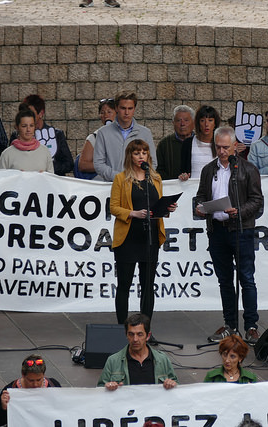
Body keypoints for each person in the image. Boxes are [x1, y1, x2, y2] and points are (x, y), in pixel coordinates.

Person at [195, 127, 263, 344]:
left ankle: (251, 326)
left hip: (241, 230)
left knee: (246, 278)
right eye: (218, 147)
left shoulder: (248, 169)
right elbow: (200, 195)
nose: (222, 151)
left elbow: (257, 200)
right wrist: (199, 207)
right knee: (225, 280)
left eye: (225, 147)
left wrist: (239, 211)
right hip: (217, 230)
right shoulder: (208, 170)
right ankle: (230, 324)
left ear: (235, 146)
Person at [110, 140, 176, 324]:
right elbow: (113, 207)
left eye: (144, 153)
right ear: (130, 156)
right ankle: (122, 329)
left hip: (150, 237)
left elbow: (157, 206)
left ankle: (145, 329)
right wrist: (133, 213)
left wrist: (167, 208)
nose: (141, 156)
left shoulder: (155, 179)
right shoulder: (121, 179)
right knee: (124, 284)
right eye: (137, 153)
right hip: (128, 238)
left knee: (148, 286)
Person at [98, 313, 178, 390]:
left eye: (140, 334)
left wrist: (171, 384)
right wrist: (108, 387)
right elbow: (99, 390)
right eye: (131, 334)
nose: (135, 339)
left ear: (148, 336)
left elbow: (176, 387)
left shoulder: (162, 359)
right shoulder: (113, 361)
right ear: (126, 335)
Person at [94, 91, 156, 182]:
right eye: (123, 108)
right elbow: (98, 164)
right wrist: (119, 178)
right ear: (116, 108)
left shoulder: (145, 133)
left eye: (130, 108)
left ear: (134, 109)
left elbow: (152, 162)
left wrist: (137, 178)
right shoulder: (103, 133)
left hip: (138, 185)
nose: (126, 112)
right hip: (111, 185)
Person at [9, 95, 73, 176]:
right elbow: (9, 163)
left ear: (41, 113)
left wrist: (47, 167)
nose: (27, 116)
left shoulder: (57, 134)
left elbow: (69, 164)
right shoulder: (17, 135)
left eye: (31, 113)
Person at [0, 354, 61, 427]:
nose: (35, 384)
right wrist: (4, 408)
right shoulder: (11, 390)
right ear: (23, 375)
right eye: (31, 380)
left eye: (39, 380)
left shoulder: (54, 385)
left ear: (44, 375)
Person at [0, 106, 54, 173]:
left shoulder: (45, 151)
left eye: (31, 125)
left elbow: (51, 177)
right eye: (24, 126)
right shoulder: (7, 154)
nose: (28, 129)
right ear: (17, 127)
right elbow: (1, 178)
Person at [77, 97, 117, 179]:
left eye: (109, 112)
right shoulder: (94, 138)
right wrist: (104, 166)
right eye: (102, 113)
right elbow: (83, 165)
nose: (106, 115)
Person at [180, 105, 220, 181]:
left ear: (215, 123)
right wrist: (183, 176)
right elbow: (183, 170)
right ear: (198, 123)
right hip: (193, 187)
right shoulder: (188, 143)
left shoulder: (220, 144)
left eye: (210, 120)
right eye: (202, 120)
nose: (206, 124)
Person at [156, 105, 195, 180]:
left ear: (193, 123)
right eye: (178, 120)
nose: (182, 124)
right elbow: (159, 169)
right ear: (173, 123)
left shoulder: (198, 142)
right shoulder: (164, 144)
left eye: (186, 120)